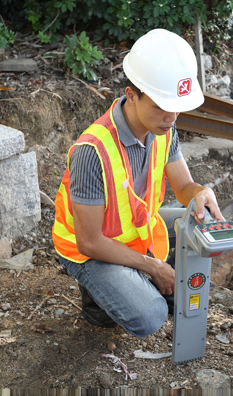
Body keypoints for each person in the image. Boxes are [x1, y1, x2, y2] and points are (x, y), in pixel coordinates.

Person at [52, 28, 223, 337]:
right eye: (160, 105)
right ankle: (100, 296)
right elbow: (89, 241)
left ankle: (133, 277)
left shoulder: (164, 129)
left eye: (176, 106)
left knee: (198, 223)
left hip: (133, 232)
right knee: (151, 315)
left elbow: (184, 188)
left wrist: (200, 193)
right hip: (88, 248)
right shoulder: (92, 152)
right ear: (131, 94)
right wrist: (152, 267)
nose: (171, 116)